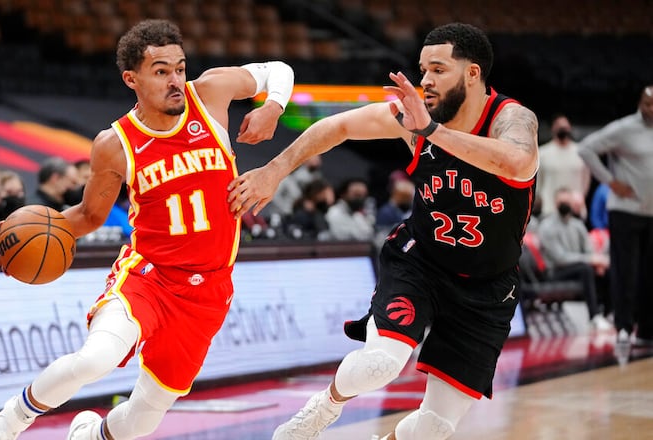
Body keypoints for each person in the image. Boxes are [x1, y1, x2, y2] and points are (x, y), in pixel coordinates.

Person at [0, 19, 293, 440]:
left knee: (143, 420)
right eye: (161, 71)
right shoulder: (115, 144)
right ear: (131, 78)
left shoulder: (209, 94)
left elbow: (279, 69)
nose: (175, 80)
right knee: (95, 359)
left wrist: (273, 106)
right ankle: (0, 427)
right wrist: (12, 238)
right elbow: (88, 216)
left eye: (180, 68)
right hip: (148, 276)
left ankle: (90, 435)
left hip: (208, 290)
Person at [227, 23, 538, 440]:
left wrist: (433, 132)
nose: (425, 80)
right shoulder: (413, 120)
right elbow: (335, 127)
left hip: (488, 287)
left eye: (438, 70)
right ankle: (323, 409)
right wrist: (274, 170)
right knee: (382, 362)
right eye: (423, 69)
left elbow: (518, 163)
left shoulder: (511, 118)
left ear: (472, 74)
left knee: (433, 427)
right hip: (421, 262)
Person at [578, 85, 653, 348]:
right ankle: (623, 326)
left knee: (649, 274)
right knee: (625, 271)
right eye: (647, 104)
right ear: (639, 103)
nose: (650, 109)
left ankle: (646, 330)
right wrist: (611, 182)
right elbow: (585, 148)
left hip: (651, 212)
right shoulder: (624, 129)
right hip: (625, 210)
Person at [537, 187, 612, 331]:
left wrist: (596, 262)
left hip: (577, 267)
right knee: (586, 268)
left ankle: (609, 312)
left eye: (567, 201)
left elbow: (588, 250)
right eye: (561, 201)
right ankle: (594, 317)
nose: (565, 204)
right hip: (555, 271)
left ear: (573, 203)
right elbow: (561, 258)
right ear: (555, 203)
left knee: (606, 269)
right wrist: (591, 259)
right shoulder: (547, 226)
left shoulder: (577, 225)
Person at [537, 114, 590, 217]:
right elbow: (539, 184)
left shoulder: (581, 152)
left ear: (570, 128)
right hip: (549, 211)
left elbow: (586, 182)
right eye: (559, 127)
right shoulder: (542, 153)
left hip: (575, 211)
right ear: (553, 129)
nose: (563, 130)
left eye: (565, 127)